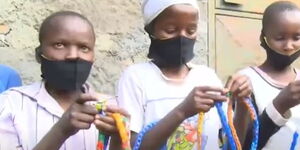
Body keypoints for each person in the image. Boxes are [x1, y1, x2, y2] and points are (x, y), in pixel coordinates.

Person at [116, 0, 252, 149]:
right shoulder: (136, 78)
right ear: (151, 30)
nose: (182, 37)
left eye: (191, 31)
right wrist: (182, 112)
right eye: (170, 29)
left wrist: (243, 105)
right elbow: (129, 145)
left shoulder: (207, 77)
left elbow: (233, 143)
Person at [0, 11, 127, 150]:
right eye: (59, 45)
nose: (73, 56)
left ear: (93, 58)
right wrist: (61, 131)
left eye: (84, 48)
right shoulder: (10, 105)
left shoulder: (111, 108)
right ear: (39, 54)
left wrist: (117, 138)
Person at [237, 1, 300, 149]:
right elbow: (240, 144)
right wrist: (279, 106)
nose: (288, 46)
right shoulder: (247, 81)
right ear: (263, 38)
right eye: (280, 38)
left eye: (296, 38)